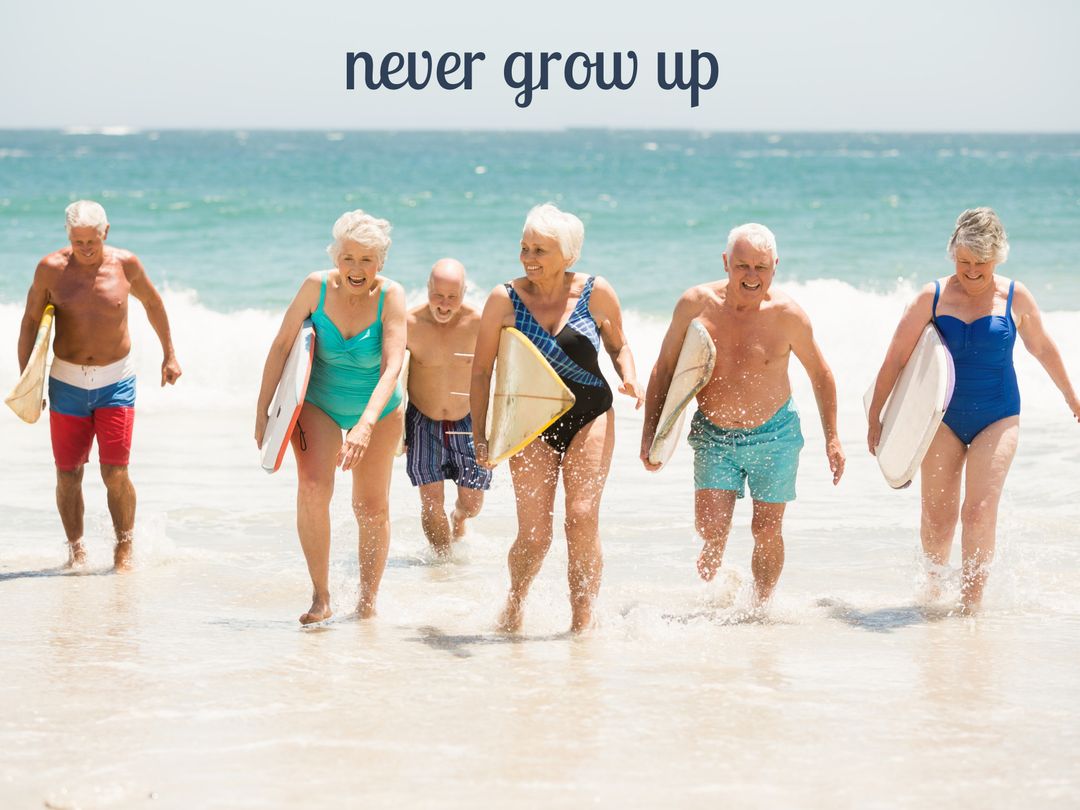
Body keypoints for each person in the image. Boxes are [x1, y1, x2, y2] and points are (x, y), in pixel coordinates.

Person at [867, 208, 1079, 612]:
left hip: (998, 416)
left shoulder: (1015, 297)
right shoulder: (931, 298)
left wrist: (1072, 396)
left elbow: (1042, 348)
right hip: (942, 419)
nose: (971, 271)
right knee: (938, 517)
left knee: (979, 511)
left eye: (981, 262)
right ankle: (931, 597)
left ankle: (971, 607)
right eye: (963, 261)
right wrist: (876, 415)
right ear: (953, 254)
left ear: (998, 257)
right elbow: (896, 358)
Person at [640, 223, 844, 607]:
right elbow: (664, 368)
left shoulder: (788, 315)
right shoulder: (695, 305)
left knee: (766, 529)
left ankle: (760, 607)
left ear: (775, 266)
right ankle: (715, 550)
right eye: (742, 266)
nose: (752, 276)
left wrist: (832, 437)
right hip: (714, 435)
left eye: (761, 267)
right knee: (709, 526)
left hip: (774, 435)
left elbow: (821, 374)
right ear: (725, 262)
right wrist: (652, 433)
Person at [471, 203, 644, 633]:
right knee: (535, 535)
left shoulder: (595, 292)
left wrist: (629, 375)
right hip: (529, 422)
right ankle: (515, 604)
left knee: (581, 516)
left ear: (568, 255)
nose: (529, 258)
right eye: (525, 248)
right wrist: (481, 434)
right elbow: (481, 370)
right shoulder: (504, 299)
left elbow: (619, 345)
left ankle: (581, 623)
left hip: (591, 414)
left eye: (540, 250)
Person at [256, 210, 405, 625]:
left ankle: (367, 602)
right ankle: (321, 597)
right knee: (312, 488)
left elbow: (393, 366)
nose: (356, 268)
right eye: (348, 258)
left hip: (378, 408)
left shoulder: (391, 296)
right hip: (319, 402)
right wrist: (264, 410)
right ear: (335, 257)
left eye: (367, 260)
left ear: (381, 262)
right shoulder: (315, 287)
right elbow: (282, 345)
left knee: (370, 507)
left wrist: (366, 424)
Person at [17, 200, 182, 570]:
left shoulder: (126, 265)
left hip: (116, 381)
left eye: (92, 241)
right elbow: (30, 321)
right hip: (66, 382)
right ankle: (76, 551)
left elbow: (154, 304)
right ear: (67, 236)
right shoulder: (50, 269)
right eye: (77, 242)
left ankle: (123, 551)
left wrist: (169, 354)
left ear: (106, 232)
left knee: (115, 471)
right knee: (68, 474)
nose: (86, 248)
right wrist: (29, 380)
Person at [404, 258, 491, 555]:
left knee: (472, 504)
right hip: (421, 421)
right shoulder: (408, 324)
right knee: (431, 502)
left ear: (464, 292)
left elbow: (502, 373)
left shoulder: (479, 324)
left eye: (452, 297)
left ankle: (459, 518)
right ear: (427, 287)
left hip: (467, 420)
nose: (443, 304)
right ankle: (443, 566)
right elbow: (390, 376)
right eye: (437, 295)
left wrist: (497, 429)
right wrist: (395, 431)